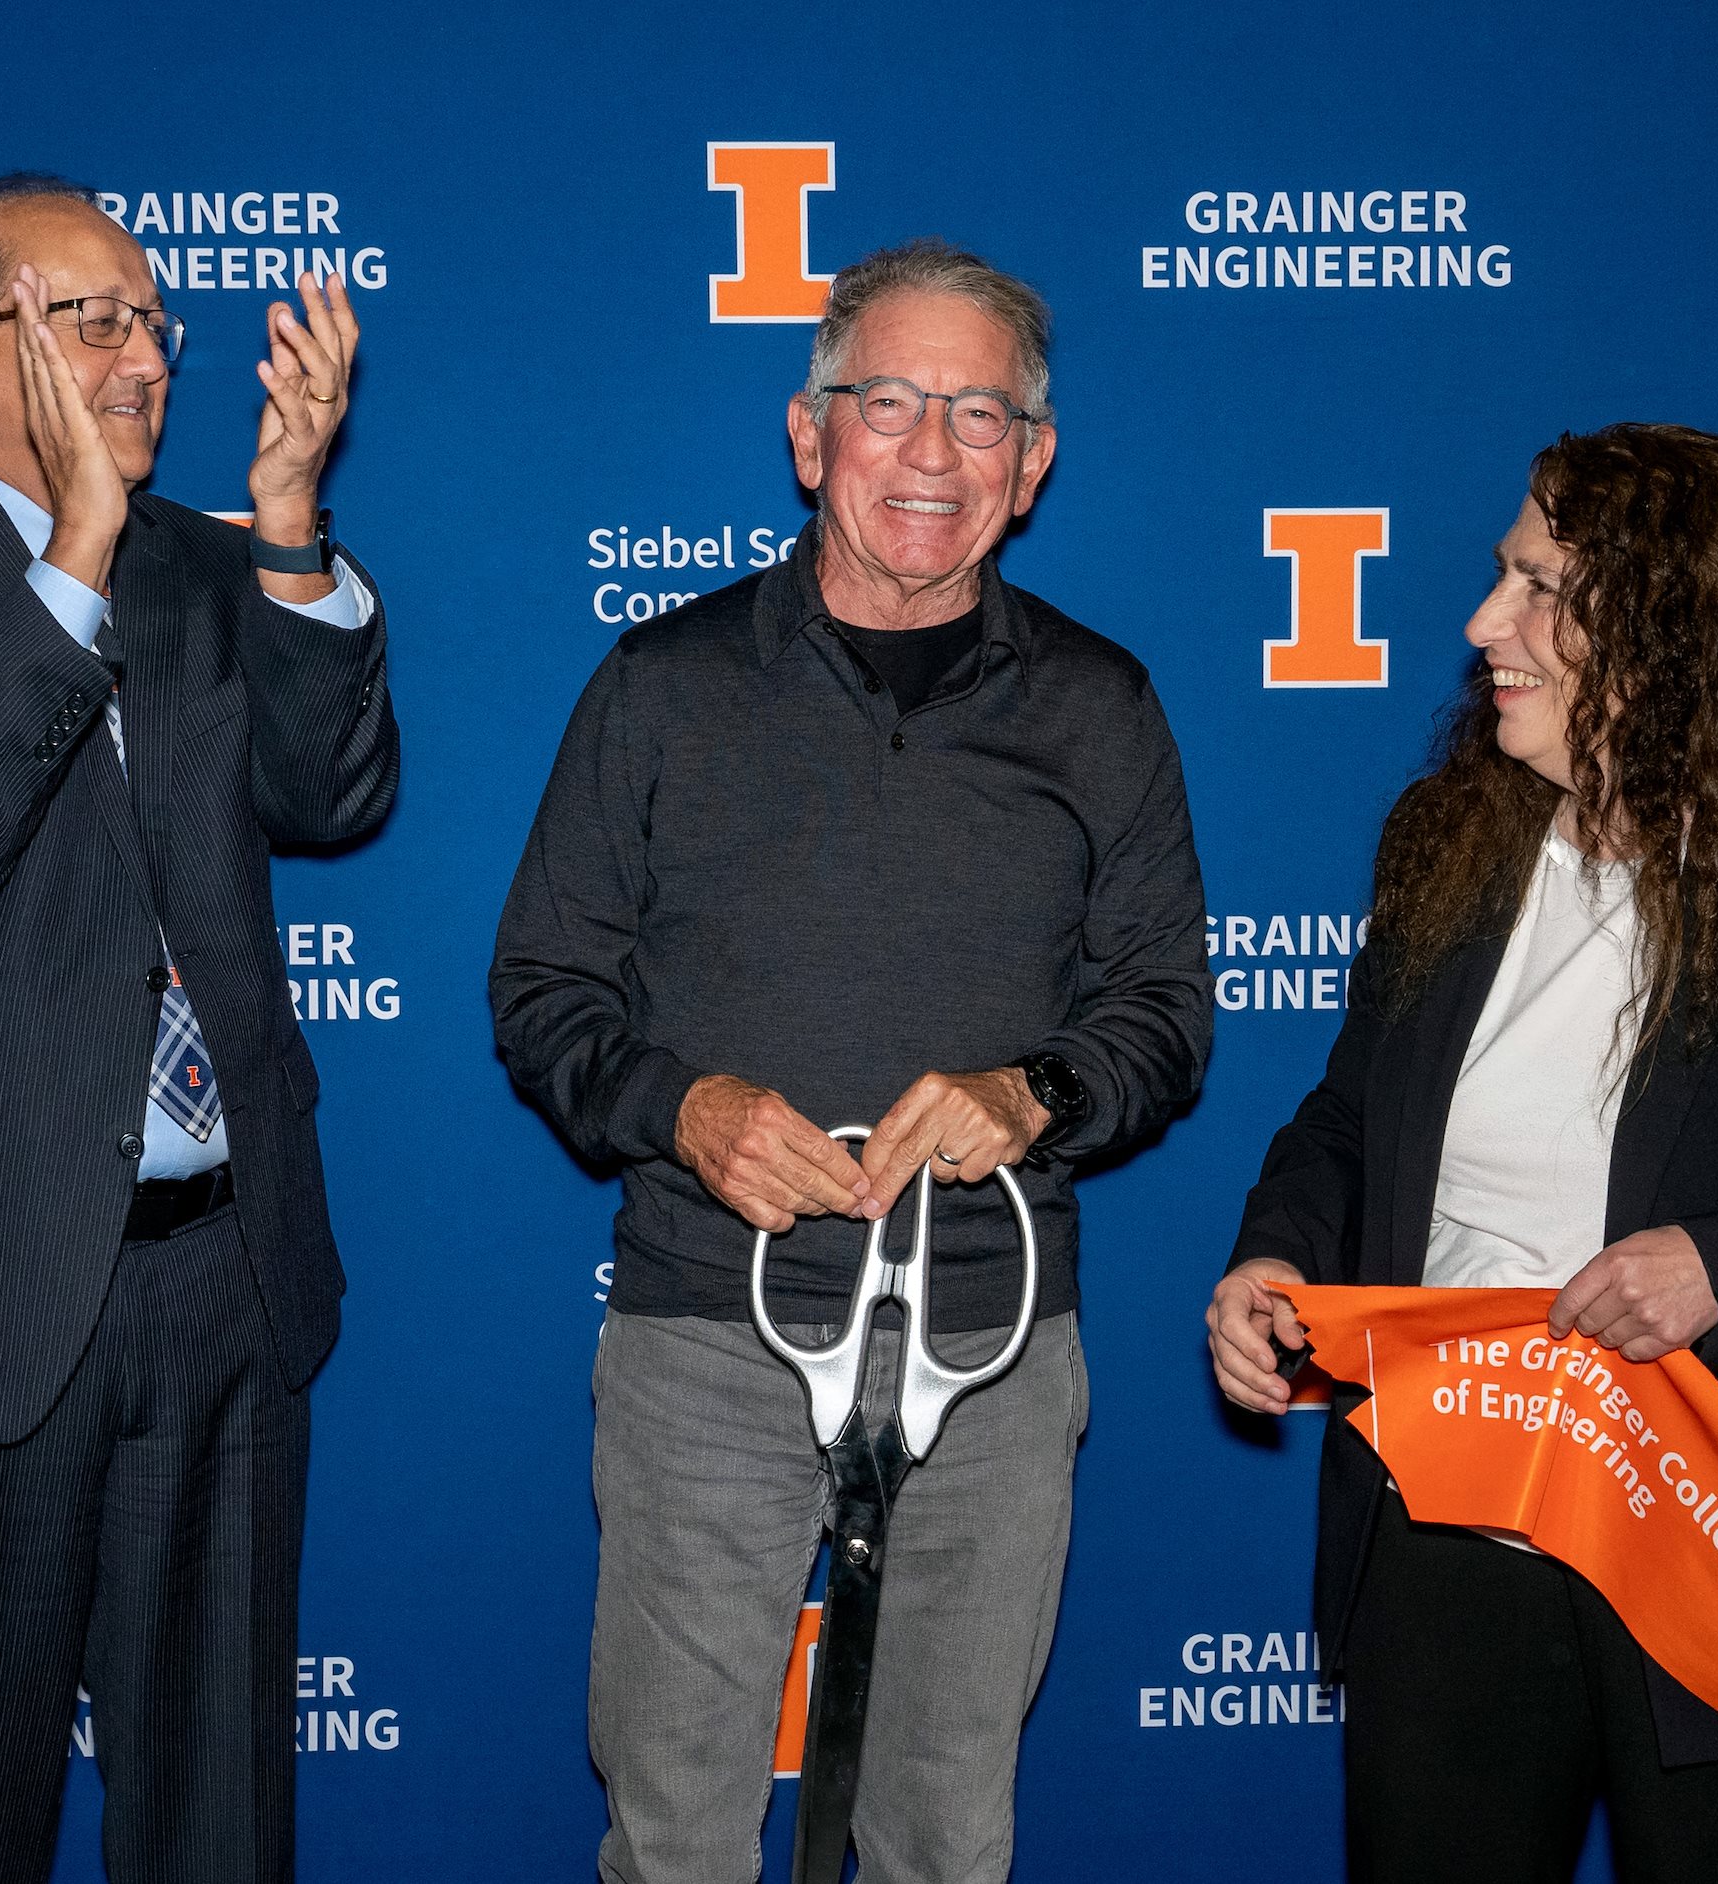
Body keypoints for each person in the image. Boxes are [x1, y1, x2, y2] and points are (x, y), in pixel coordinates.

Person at [491, 239, 1210, 1882]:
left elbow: (1165, 1009)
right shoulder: (660, 687)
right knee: (675, 1836)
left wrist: (1036, 1095)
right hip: (706, 1347)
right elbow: (543, 988)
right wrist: (684, 1108)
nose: (932, 454)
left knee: (944, 1839)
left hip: (998, 1352)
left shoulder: (1104, 706)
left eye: (979, 416)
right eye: (888, 404)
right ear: (810, 436)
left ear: (1031, 467)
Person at [0, 174, 397, 1882]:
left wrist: (291, 532)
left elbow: (333, 796)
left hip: (222, 1283)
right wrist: (77, 555)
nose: (140, 356)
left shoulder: (212, 566)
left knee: (216, 1818)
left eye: (152, 322)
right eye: (87, 318)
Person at [1206, 423, 1718, 1883]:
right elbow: (1347, 1124)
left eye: (1539, 588)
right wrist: (1275, 1255)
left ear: (1667, 624)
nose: (1482, 626)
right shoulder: (1444, 836)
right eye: (1498, 579)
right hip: (1447, 1538)